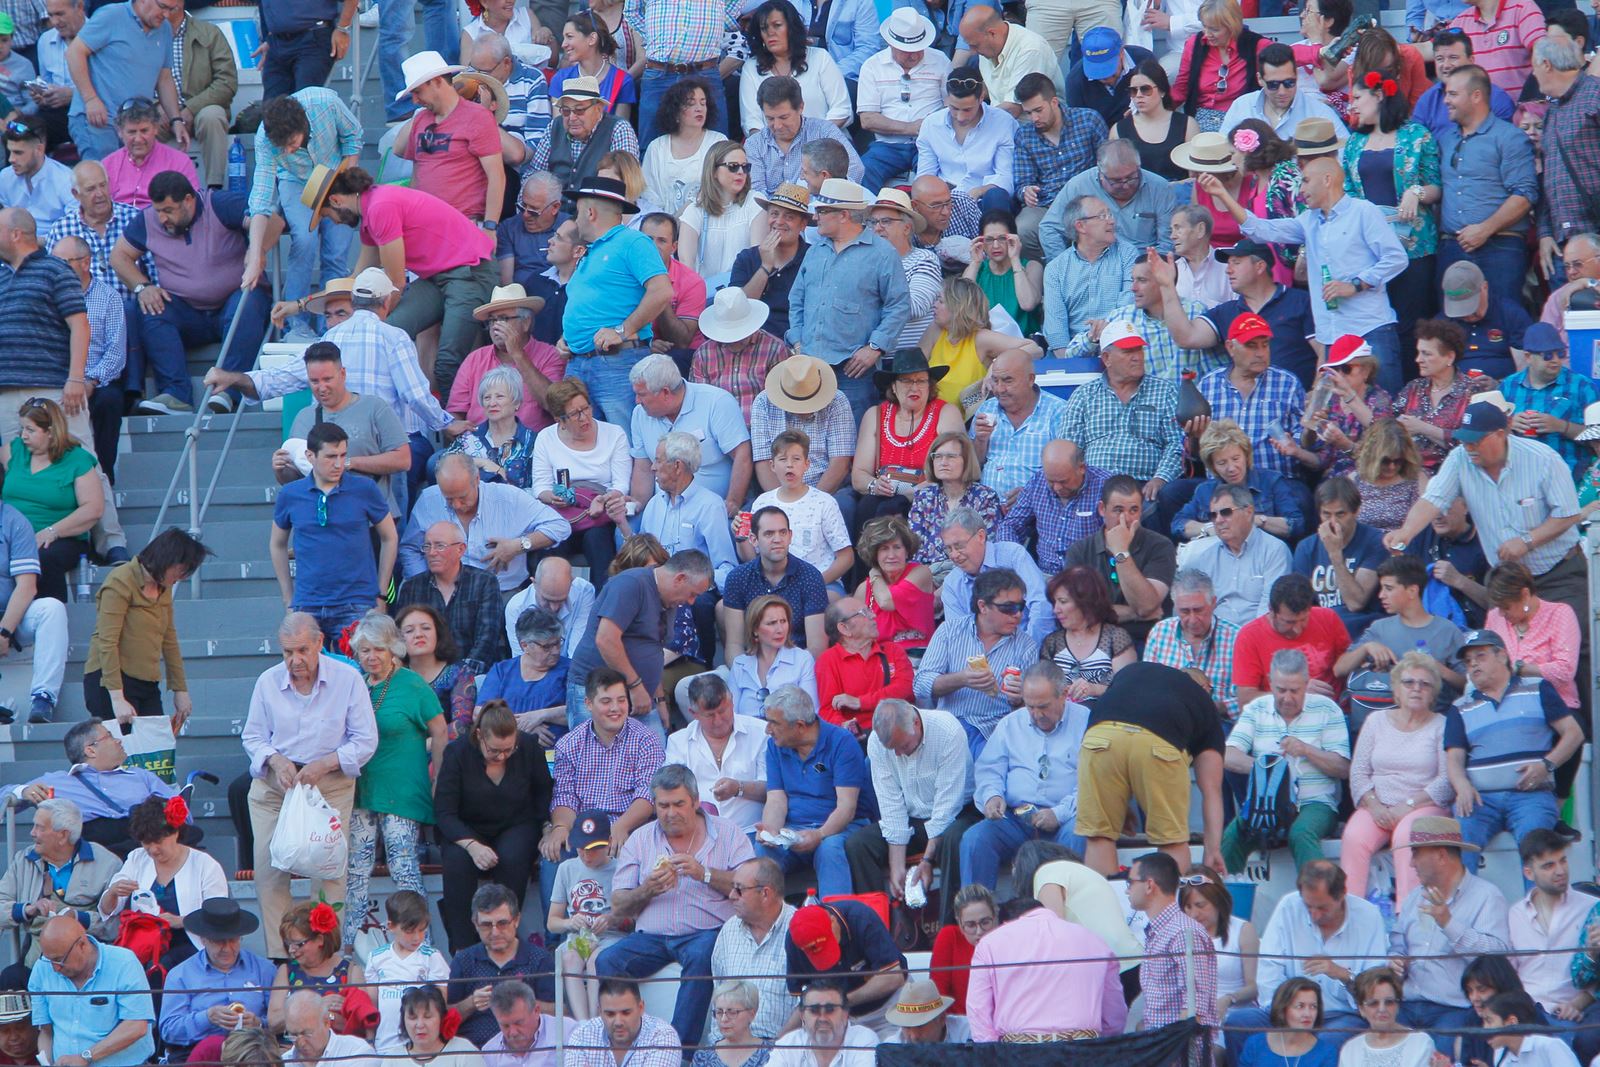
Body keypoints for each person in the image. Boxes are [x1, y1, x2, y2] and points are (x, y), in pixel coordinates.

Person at [1388, 401, 1586, 654]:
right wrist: (1405, 533)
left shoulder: (1543, 459)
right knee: (1500, 653)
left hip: (1558, 573)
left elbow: (1568, 515)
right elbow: (1432, 500)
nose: (1468, 447)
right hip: (1506, 579)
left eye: (1475, 441)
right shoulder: (1460, 458)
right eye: (1464, 440)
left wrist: (1527, 541)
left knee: (1573, 650)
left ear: (1500, 435)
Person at [1206, 151, 1408, 393]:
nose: (1300, 189)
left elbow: (1396, 258)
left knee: (1385, 410)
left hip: (1370, 327)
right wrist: (1222, 196)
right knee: (1342, 414)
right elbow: (1261, 230)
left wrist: (1356, 284)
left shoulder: (1363, 211)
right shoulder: (1308, 220)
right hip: (1332, 335)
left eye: (1305, 181)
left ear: (1327, 179)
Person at [239, 613, 377, 959]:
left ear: (319, 644)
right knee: (269, 873)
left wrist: (325, 764)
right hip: (276, 786)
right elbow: (253, 736)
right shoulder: (267, 682)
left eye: (302, 650)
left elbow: (365, 741)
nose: (294, 660)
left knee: (329, 873)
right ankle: (283, 958)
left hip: (328, 785)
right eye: (287, 652)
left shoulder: (348, 679)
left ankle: (325, 955)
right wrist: (275, 759)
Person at [596, 764, 754, 1050]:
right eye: (663, 805)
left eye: (679, 804)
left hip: (705, 931)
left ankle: (680, 1050)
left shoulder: (729, 833)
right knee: (607, 961)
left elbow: (749, 886)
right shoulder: (641, 839)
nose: (670, 813)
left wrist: (703, 873)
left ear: (695, 801)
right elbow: (618, 905)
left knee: (703, 953)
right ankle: (628, 1040)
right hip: (651, 937)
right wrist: (648, 889)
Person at [312, 165, 498, 400]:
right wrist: (300, 305)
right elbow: (355, 282)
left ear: (336, 201)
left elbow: (396, 283)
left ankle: (460, 432)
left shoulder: (379, 207)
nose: (335, 223)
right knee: (384, 333)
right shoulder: (372, 208)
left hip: (470, 273)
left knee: (447, 363)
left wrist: (367, 324)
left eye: (327, 216)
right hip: (440, 278)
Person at [110, 171, 269, 416]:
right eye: (158, 210)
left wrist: (257, 251)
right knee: (151, 308)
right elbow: (119, 256)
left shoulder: (218, 204)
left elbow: (266, 218)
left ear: (188, 200)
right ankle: (175, 395)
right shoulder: (147, 220)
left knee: (248, 301)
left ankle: (229, 390)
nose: (162, 218)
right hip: (186, 310)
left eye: (169, 210)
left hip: (232, 299)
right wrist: (142, 286)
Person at [343, 613, 446, 956]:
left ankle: (422, 950)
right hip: (362, 790)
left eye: (378, 650)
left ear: (393, 650)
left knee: (404, 869)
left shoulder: (412, 684)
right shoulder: (355, 682)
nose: (371, 657)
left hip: (402, 791)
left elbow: (440, 730)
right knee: (356, 869)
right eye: (364, 650)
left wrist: (438, 776)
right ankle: (347, 952)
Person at [1444, 628, 1582, 862]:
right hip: (1481, 800)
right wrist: (1461, 785)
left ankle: (1536, 899)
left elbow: (1574, 733)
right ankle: (1463, 898)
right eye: (1468, 661)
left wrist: (1546, 765)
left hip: (1531, 795)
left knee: (1536, 843)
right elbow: (1454, 759)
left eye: (1480, 656)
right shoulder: (1460, 707)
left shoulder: (1537, 688)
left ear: (1503, 656)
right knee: (1461, 840)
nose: (1473, 665)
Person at [1077, 663, 1226, 875]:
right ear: (1205, 688)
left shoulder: (1134, 670)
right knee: (1171, 841)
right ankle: (1169, 907)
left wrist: (1121, 804)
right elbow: (1211, 791)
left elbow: (1122, 733)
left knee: (1099, 837)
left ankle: (1105, 906)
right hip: (1157, 745)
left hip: (1099, 737)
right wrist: (1213, 850)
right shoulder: (1205, 706)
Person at [960, 661, 1093, 890]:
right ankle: (979, 918)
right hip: (1016, 818)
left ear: (1063, 695)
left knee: (1077, 833)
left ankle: (1064, 919)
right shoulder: (1011, 723)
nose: (1035, 714)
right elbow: (989, 769)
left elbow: (1092, 786)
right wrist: (992, 796)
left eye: (1043, 706)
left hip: (1066, 818)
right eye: (1030, 706)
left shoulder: (1086, 722)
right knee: (975, 839)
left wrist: (1058, 813)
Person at [785, 178, 906, 421]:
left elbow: (899, 305)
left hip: (853, 370)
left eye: (822, 211)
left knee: (853, 443)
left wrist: (875, 348)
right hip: (810, 365)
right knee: (811, 440)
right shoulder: (816, 251)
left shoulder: (882, 253)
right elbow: (796, 300)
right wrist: (798, 341)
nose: (816, 217)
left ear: (843, 215)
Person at [1221, 649, 1352, 872]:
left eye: (1295, 690)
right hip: (1265, 803)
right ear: (1270, 683)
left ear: (1307, 683)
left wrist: (1306, 750)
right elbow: (1227, 756)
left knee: (1301, 833)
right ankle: (1224, 900)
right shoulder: (1256, 708)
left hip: (1315, 802)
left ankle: (1318, 900)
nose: (1287, 698)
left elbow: (1342, 768)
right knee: (1233, 836)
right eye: (1281, 690)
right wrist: (1269, 768)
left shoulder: (1327, 709)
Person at [541, 667, 668, 898]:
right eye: (606, 701)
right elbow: (565, 796)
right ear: (588, 704)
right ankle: (557, 933)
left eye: (621, 700)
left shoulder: (646, 740)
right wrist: (560, 827)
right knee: (554, 852)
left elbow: (648, 795)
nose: (615, 708)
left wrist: (621, 826)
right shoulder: (569, 744)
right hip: (585, 829)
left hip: (629, 827)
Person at [1387, 815, 1510, 1035]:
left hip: (1454, 1010)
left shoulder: (1487, 896)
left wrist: (1449, 923)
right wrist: (1397, 959)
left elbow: (1497, 959)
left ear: (1441, 856)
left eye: (1416, 853)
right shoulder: (1414, 898)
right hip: (1406, 1004)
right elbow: (1398, 942)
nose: (1411, 863)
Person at [1153, 237, 1322, 390]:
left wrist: (1314, 398)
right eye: (1228, 264)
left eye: (1236, 263)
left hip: (1295, 408)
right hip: (1244, 410)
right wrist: (1167, 286)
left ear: (1260, 266)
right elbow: (1186, 337)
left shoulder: (1301, 302)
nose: (1228, 270)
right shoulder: (1227, 311)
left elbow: (1325, 354)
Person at [756, 684, 875, 894]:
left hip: (840, 828)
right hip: (794, 829)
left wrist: (819, 834)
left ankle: (835, 918)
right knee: (764, 852)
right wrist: (771, 831)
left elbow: (846, 808)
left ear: (800, 726)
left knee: (829, 849)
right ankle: (767, 922)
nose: (767, 729)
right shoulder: (775, 745)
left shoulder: (841, 743)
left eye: (774, 723)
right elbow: (776, 799)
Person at [1247, 861, 1389, 1036]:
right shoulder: (1288, 907)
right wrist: (1285, 1013)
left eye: (1322, 908)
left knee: (1327, 1041)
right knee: (1240, 1022)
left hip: (1342, 1014)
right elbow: (1269, 968)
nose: (1314, 915)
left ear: (1342, 895)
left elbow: (1376, 986)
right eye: (1308, 907)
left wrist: (1342, 974)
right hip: (1288, 1011)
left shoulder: (1368, 916)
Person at [1435, 64, 1537, 307]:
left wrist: (1485, 229)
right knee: (1452, 329)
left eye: (1453, 94)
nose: (1446, 101)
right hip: (1452, 247)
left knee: (1501, 324)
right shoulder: (1445, 140)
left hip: (1499, 248)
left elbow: (1525, 194)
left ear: (1476, 96)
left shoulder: (1509, 137)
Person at [915, 565, 1042, 757]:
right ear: (982, 606)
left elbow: (1030, 714)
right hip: (949, 726)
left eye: (1021, 606)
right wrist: (961, 679)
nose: (1018, 614)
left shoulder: (1026, 646)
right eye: (1008, 608)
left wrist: (1019, 700)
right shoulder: (950, 631)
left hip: (993, 731)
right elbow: (920, 685)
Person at [400, 452, 570, 596]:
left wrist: (518, 546)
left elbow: (559, 526)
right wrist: (426, 586)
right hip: (444, 593)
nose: (457, 505)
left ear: (477, 479)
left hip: (500, 592)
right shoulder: (429, 500)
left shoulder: (508, 498)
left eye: (462, 497)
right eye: (449, 499)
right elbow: (410, 549)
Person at [965, 895, 1124, 1043]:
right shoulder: (1095, 941)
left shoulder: (989, 944)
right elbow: (1114, 1016)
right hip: (1083, 1050)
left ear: (1006, 923)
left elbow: (979, 1013)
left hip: (1018, 1053)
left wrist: (991, 1056)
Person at [95, 794, 226, 968]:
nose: (152, 850)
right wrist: (113, 892)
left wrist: (180, 921)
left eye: (158, 842)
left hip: (191, 946)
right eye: (146, 843)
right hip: (144, 945)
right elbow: (107, 910)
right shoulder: (137, 858)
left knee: (162, 966)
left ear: (176, 832)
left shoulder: (205, 865)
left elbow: (218, 916)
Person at [13, 722, 176, 856]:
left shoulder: (141, 776)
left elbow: (180, 813)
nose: (119, 741)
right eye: (110, 736)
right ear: (90, 750)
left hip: (145, 844)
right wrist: (23, 791)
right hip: (94, 853)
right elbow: (4, 797)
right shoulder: (58, 781)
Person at [1059, 320, 1184, 489]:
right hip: (1094, 487)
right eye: (1128, 351)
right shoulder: (1084, 395)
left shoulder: (1165, 391)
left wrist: (1161, 479)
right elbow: (1069, 449)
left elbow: (1176, 443)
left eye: (1139, 349)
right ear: (1106, 358)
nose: (1137, 357)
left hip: (1144, 486)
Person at [849, 348, 964, 528]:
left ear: (930, 385)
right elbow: (859, 475)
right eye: (906, 381)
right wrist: (874, 485)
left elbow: (954, 468)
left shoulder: (946, 412)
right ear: (893, 386)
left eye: (921, 381)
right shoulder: (875, 415)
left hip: (929, 495)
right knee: (868, 506)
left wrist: (911, 493)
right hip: (882, 496)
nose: (914, 387)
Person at [0, 798, 119, 969]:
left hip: (87, 968)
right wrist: (27, 909)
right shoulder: (23, 860)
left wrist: (78, 917)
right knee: (9, 982)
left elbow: (116, 924)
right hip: (35, 965)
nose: (32, 833)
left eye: (40, 828)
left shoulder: (107, 864)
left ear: (63, 835)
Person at [63, 0, 184, 162]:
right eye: (162, 7)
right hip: (98, 120)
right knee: (102, 181)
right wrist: (90, 99)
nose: (167, 14)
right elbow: (74, 53)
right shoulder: (111, 15)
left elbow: (164, 78)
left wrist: (176, 120)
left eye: (172, 9)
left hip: (134, 125)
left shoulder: (165, 29)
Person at [628, 354, 751, 513]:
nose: (637, 401)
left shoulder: (716, 402)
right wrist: (636, 505)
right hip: (664, 509)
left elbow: (742, 455)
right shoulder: (639, 414)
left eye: (642, 394)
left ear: (665, 392)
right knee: (625, 528)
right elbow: (643, 468)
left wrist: (733, 503)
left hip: (714, 509)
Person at [27, 914, 154, 1065]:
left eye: (60, 959)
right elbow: (46, 1031)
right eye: (49, 959)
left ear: (82, 945)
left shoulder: (123, 962)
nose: (55, 968)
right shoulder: (42, 968)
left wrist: (86, 1057)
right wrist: (46, 1062)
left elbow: (136, 1026)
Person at [158, 899, 273, 1060]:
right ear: (203, 939)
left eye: (233, 940)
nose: (226, 948)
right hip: (197, 1053)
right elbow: (169, 1031)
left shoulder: (264, 969)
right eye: (218, 941)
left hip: (251, 1053)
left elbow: (280, 1020)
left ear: (240, 937)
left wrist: (258, 1023)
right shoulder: (180, 975)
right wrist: (207, 1017)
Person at [1126, 852, 1221, 1034]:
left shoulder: (1182, 932)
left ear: (1149, 885)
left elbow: (1195, 1007)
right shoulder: (1163, 930)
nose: (1127, 890)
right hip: (1164, 1046)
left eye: (1130, 882)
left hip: (1179, 1052)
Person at [856, 9, 949, 193]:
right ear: (891, 44)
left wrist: (930, 127)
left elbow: (951, 107)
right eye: (907, 51)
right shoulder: (872, 66)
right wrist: (911, 127)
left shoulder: (941, 61)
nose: (914, 55)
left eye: (918, 49)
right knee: (863, 172)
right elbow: (867, 119)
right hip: (887, 146)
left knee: (935, 181)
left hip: (929, 142)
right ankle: (866, 220)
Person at [1392, 318, 1500, 472]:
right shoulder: (1413, 389)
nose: (1418, 360)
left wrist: (1423, 428)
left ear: (1450, 357)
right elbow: (1388, 426)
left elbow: (1473, 442)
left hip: (1454, 473)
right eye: (1418, 353)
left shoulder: (1472, 392)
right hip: (1407, 472)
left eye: (1426, 354)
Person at [1173, 419, 1306, 542]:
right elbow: (1178, 524)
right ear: (1212, 465)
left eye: (1236, 459)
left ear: (1246, 455)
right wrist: (1208, 528)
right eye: (1222, 462)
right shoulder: (1205, 491)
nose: (1231, 468)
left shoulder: (1271, 481)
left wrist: (1257, 520)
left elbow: (1296, 524)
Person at [1042, 139, 1176, 260]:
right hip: (1092, 264)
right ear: (1100, 173)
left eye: (1131, 177)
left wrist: (1150, 267)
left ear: (1138, 166)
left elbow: (1168, 242)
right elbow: (1049, 228)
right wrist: (1064, 266)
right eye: (1116, 181)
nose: (1125, 185)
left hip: (1143, 264)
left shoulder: (1160, 188)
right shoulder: (1079, 186)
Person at [666, 673, 767, 834]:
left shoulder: (761, 732)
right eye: (710, 715)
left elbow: (773, 789)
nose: (718, 721)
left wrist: (739, 788)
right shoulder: (677, 742)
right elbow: (670, 792)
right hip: (697, 836)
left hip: (750, 832)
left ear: (732, 701)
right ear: (693, 713)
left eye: (723, 711)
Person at [1183, 483, 1295, 629]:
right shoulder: (1205, 557)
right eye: (1213, 515)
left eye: (1225, 512)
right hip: (1216, 641)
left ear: (1248, 512)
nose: (1218, 520)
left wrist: (1245, 642)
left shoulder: (1274, 551)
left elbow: (1271, 610)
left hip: (1258, 639)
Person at [783, 904, 906, 1035]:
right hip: (842, 1019)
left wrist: (842, 1000)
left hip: (890, 1009)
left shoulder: (862, 918)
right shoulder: (795, 940)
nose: (826, 957)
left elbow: (894, 977)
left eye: (826, 946)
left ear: (833, 921)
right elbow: (803, 1002)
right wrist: (777, 1042)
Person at [1232, 573, 1352, 706]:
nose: (1298, 629)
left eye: (1304, 619)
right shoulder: (1250, 636)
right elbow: (1245, 700)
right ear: (1271, 610)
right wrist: (1297, 692)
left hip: (1330, 711)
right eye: (1289, 622)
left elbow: (1348, 668)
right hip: (1278, 718)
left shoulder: (1328, 618)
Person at [1499, 322, 1600, 477]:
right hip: (1519, 473)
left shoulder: (1581, 386)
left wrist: (1561, 426)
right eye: (1547, 355)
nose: (1555, 360)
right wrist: (1509, 424)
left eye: (1560, 353)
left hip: (1567, 472)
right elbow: (1490, 435)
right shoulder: (1507, 386)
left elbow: (1597, 439)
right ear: (1528, 357)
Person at [993, 439, 1105, 575]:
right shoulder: (1038, 481)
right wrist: (1015, 561)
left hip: (1089, 578)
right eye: (1051, 481)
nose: (1057, 488)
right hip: (1043, 577)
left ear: (1082, 468)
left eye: (1063, 481)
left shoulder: (1104, 486)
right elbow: (1010, 525)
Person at [1145, 569, 1242, 721]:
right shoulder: (1160, 632)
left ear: (1213, 603)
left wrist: (1214, 707)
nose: (1193, 619)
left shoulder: (1237, 638)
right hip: (1169, 721)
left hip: (1219, 722)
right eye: (1184, 611)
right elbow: (1148, 688)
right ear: (1175, 606)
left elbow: (1247, 701)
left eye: (1198, 610)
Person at [739, 0, 848, 134]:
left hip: (824, 143)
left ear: (792, 28)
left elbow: (842, 110)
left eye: (777, 25)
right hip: (772, 149)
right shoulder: (751, 68)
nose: (770, 32)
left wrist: (813, 139)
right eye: (764, 28)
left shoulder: (820, 58)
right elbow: (751, 122)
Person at [746, 79, 863, 198]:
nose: (777, 126)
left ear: (800, 107)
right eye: (770, 118)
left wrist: (826, 203)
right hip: (771, 213)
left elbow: (855, 168)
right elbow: (756, 193)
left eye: (784, 117)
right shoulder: (754, 144)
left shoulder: (823, 131)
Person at [733, 187, 812, 344]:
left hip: (795, 344)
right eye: (774, 214)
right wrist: (765, 267)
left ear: (803, 224)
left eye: (789, 217)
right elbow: (737, 309)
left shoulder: (814, 258)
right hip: (749, 343)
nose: (779, 221)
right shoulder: (746, 258)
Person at [853, 516, 935, 655]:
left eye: (897, 547)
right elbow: (854, 633)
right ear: (875, 554)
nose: (891, 555)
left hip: (916, 655)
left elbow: (887, 602)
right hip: (879, 658)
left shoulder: (920, 573)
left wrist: (875, 574)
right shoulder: (864, 589)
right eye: (884, 549)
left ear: (907, 551)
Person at [730, 596, 819, 719]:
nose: (780, 629)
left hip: (789, 735)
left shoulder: (802, 660)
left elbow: (811, 713)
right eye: (771, 623)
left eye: (783, 621)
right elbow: (731, 716)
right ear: (755, 629)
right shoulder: (740, 664)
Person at [567, 979, 681, 1067]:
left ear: (641, 1008)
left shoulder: (663, 1036)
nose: (618, 1022)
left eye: (626, 1013)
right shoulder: (582, 1035)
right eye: (610, 1014)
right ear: (600, 1011)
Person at [1339, 968, 1438, 1067]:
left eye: (1389, 1002)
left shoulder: (1421, 1043)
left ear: (1398, 1005)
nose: (1382, 1009)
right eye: (1373, 1003)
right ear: (1362, 1009)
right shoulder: (1350, 1051)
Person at [1237, 980, 1341, 1067]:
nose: (1308, 1014)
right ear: (1283, 1009)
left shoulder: (1327, 1052)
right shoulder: (1255, 1044)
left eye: (1313, 1006)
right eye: (1300, 1006)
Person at [0, 118, 70, 228]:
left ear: (39, 149)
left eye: (18, 152)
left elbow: (75, 229)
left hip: (54, 243)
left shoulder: (65, 180)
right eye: (10, 151)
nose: (11, 159)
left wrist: (34, 241)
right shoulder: (5, 177)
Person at [280, 989, 378, 1067]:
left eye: (307, 1033)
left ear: (326, 1023)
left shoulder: (358, 1054)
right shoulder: (283, 1062)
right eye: (293, 1034)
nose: (301, 1043)